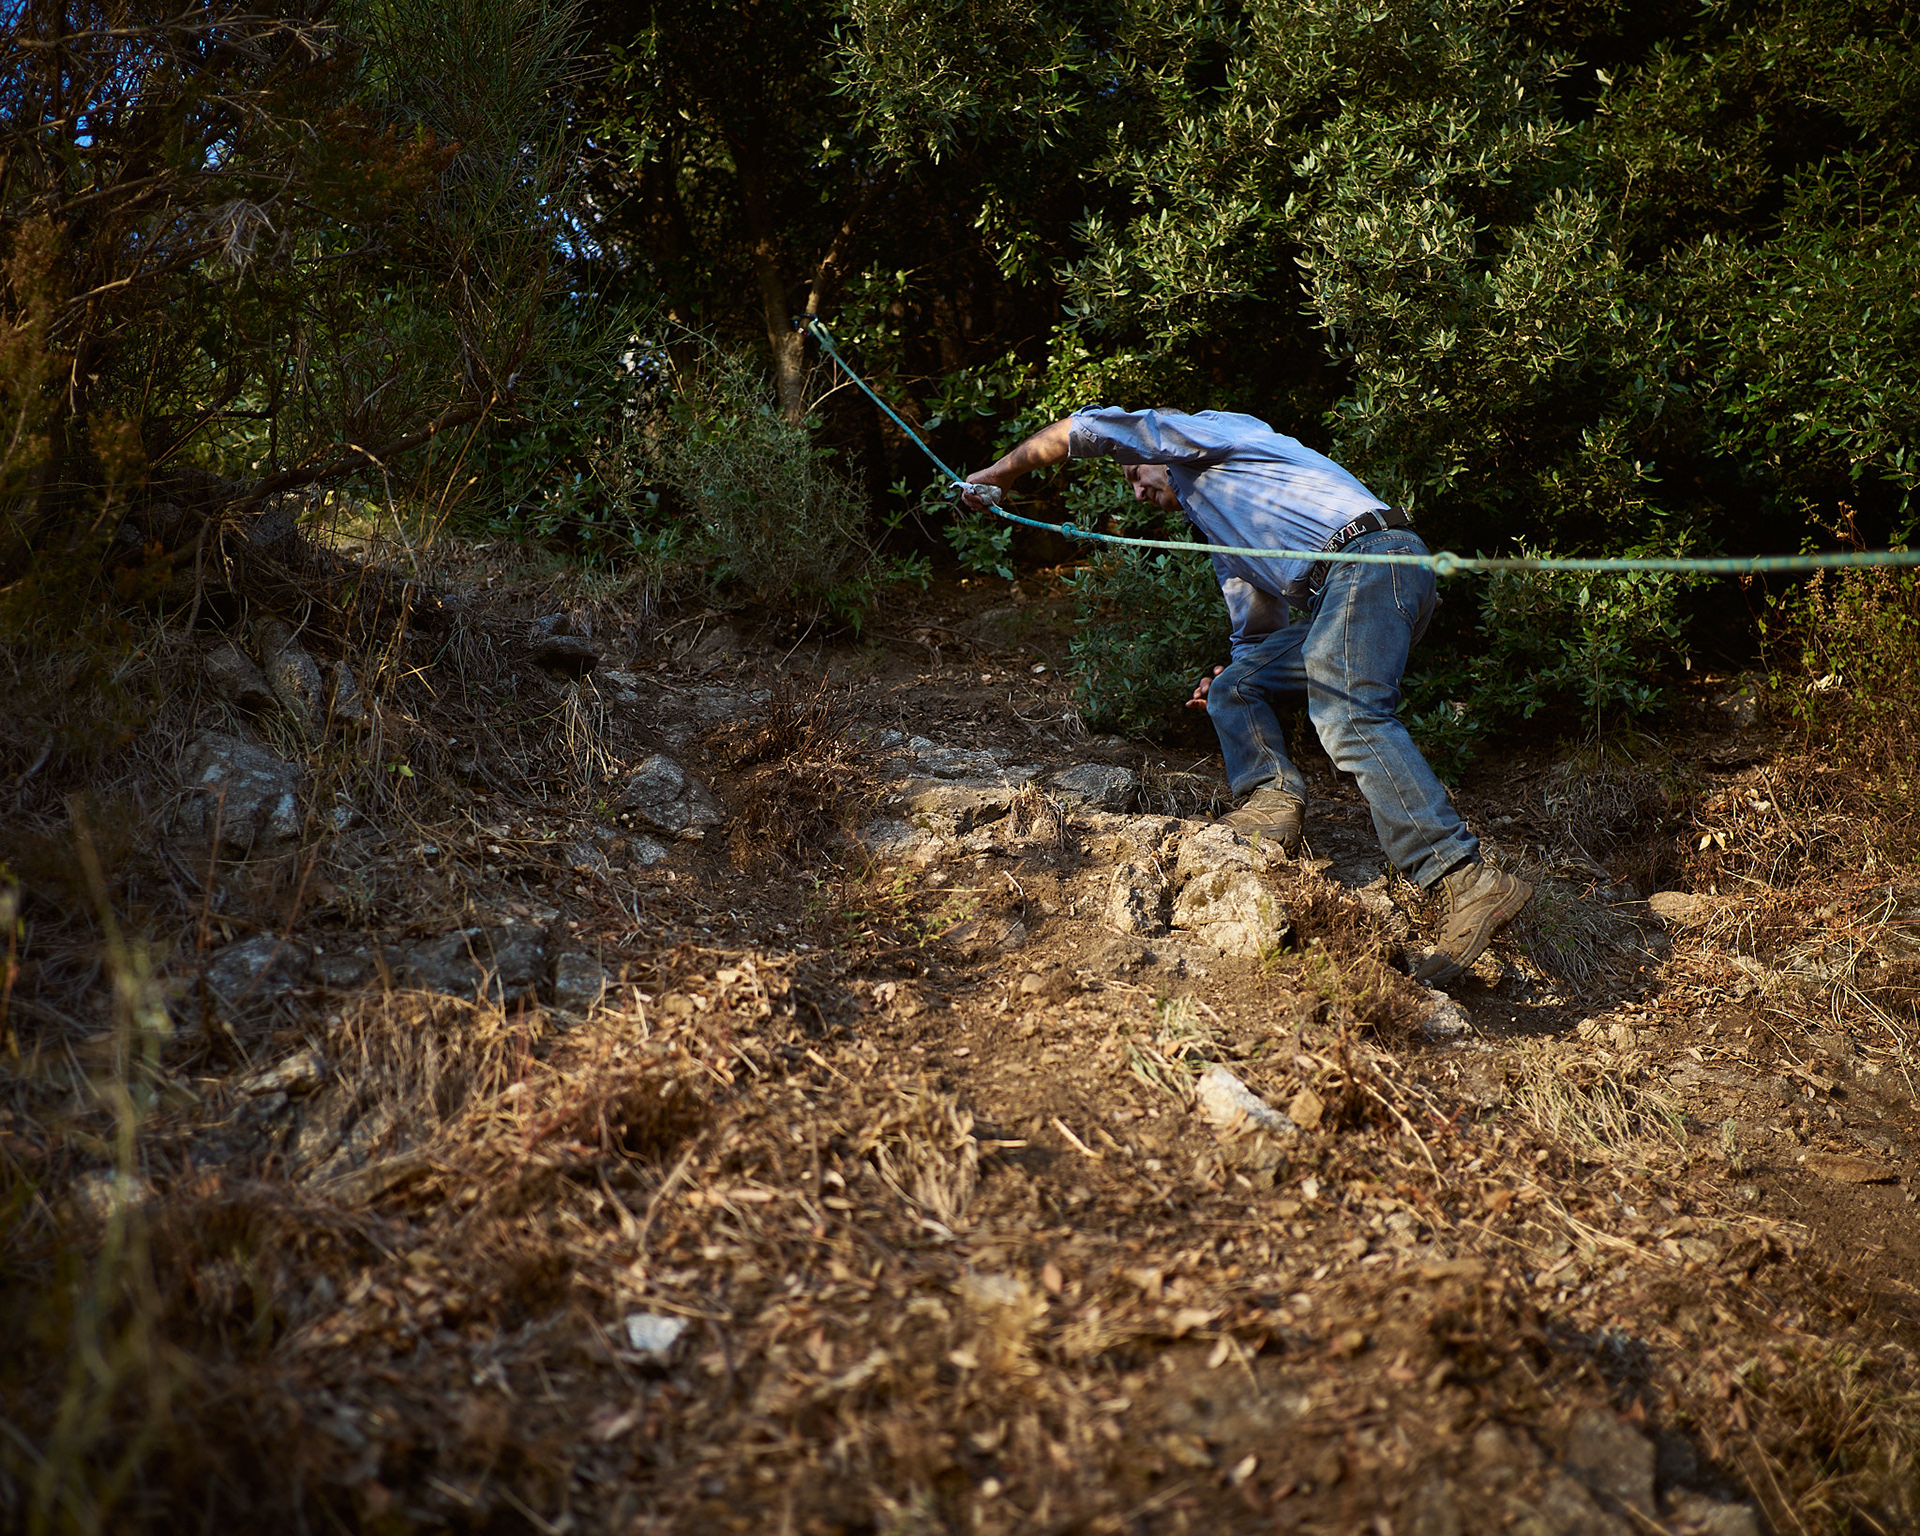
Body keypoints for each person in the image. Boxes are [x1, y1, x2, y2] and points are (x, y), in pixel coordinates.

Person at [962, 406, 1531, 982]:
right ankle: (1273, 804)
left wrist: (1002, 473)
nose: (1136, 491)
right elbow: (1257, 632)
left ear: (1158, 456)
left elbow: (1091, 429)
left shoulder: (1207, 435)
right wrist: (1232, 678)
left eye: (1136, 475)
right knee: (1237, 683)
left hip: (1371, 560)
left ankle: (1465, 876)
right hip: (1348, 584)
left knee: (1349, 716)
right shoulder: (1221, 533)